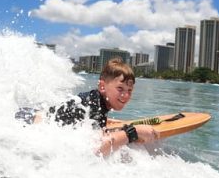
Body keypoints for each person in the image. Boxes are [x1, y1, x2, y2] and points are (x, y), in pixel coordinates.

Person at [18, 58, 157, 156]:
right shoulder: (92, 105)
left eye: (129, 90)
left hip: (31, 115)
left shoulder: (98, 102)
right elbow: (96, 150)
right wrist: (133, 133)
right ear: (102, 87)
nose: (126, 95)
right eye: (120, 88)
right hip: (25, 121)